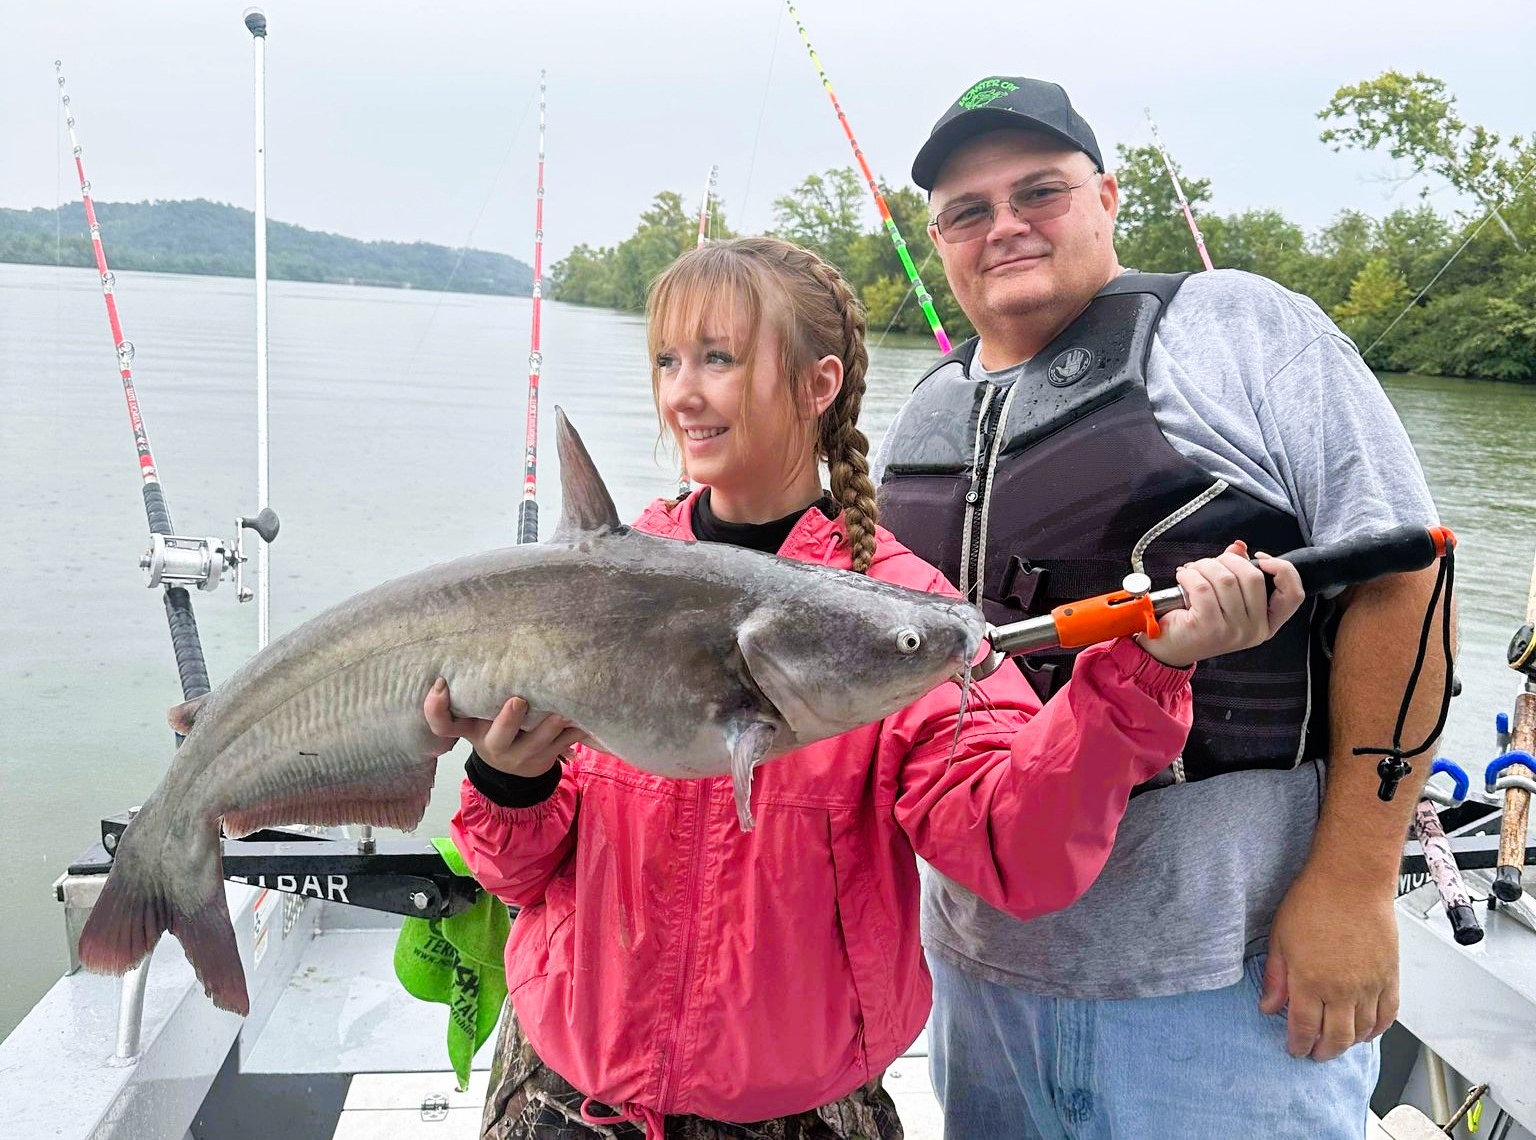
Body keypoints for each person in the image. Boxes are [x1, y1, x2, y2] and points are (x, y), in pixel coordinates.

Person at [421, 236, 1303, 1138]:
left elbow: (1017, 850)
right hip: (568, 1095)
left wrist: (1144, 672)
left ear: (818, 383)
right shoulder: (592, 588)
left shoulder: (907, 623)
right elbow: (519, 873)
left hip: (799, 1111)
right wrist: (507, 781)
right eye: (667, 360)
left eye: (718, 358)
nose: (682, 392)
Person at [872, 77, 1451, 1138]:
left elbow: (1409, 581)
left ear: (1107, 197)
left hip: (1227, 989)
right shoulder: (922, 415)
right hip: (981, 982)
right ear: (940, 240)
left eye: (1037, 192)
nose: (1003, 226)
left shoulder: (1247, 327)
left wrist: (1357, 886)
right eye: (968, 210)